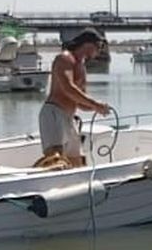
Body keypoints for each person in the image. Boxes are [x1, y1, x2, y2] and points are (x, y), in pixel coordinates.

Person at [42, 28, 110, 164]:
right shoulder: (64, 58)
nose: (99, 50)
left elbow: (79, 102)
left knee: (76, 161)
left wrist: (98, 108)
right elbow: (68, 87)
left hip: (70, 117)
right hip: (54, 113)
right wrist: (94, 103)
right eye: (98, 46)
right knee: (56, 160)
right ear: (87, 44)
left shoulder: (82, 67)